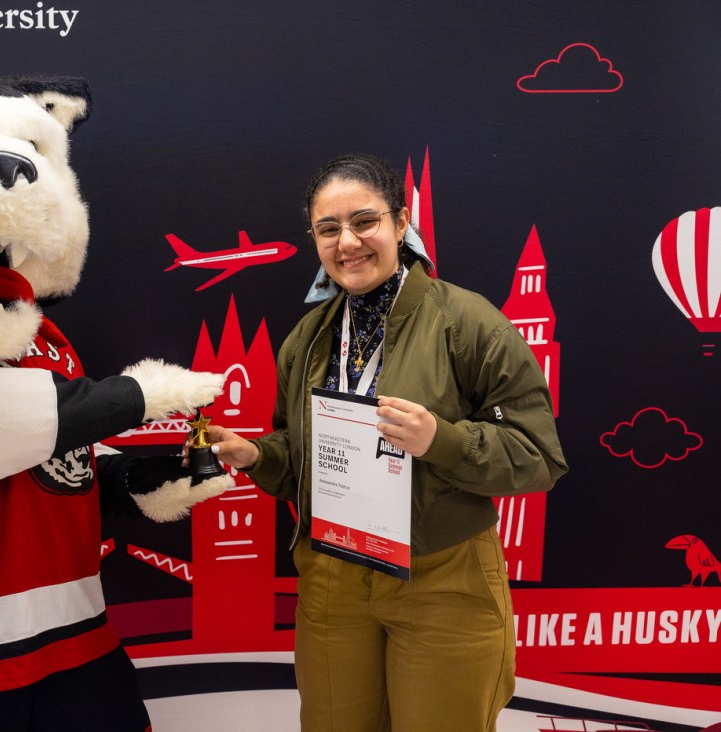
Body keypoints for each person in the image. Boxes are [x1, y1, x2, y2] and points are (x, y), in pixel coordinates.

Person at [207, 152, 568, 732]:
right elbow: (302, 456)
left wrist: (440, 440)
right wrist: (257, 455)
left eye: (364, 222)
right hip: (334, 580)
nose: (347, 242)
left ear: (402, 222)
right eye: (329, 229)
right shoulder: (308, 337)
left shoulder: (468, 323)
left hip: (440, 578)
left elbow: (539, 456)